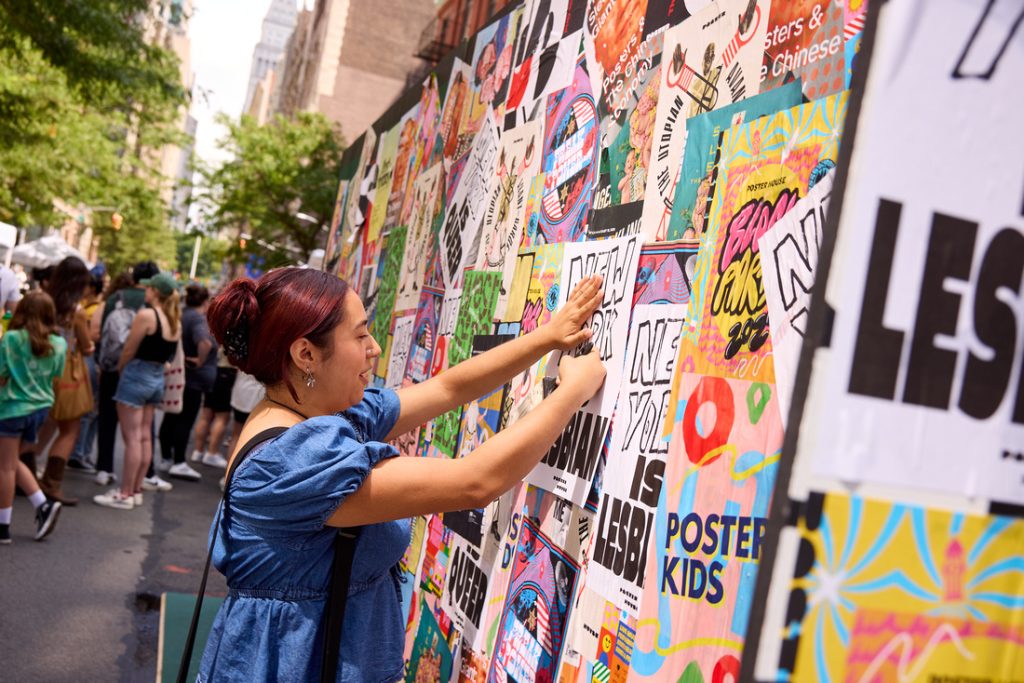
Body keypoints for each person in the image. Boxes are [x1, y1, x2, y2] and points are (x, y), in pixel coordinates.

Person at [197, 268, 605, 681]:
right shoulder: (294, 462)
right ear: (305, 354)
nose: (374, 348)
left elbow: (448, 389)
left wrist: (549, 336)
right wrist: (572, 392)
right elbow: (476, 482)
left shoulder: (315, 413)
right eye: (359, 335)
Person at [93, 272, 180, 510]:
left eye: (149, 288)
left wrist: (121, 369)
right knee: (143, 436)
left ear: (154, 292)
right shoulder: (174, 320)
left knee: (131, 439)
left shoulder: (147, 315)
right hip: (156, 379)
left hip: (137, 376)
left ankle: (124, 494)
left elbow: (129, 349)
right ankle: (136, 489)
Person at [0, 292, 66, 543]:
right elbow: (56, 376)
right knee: (11, 460)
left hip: (12, 407)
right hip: (40, 408)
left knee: (5, 466)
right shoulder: (59, 343)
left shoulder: (12, 339)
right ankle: (42, 504)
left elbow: (1, 373)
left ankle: (3, 526)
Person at [31, 256, 94, 505]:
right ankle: (51, 483)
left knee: (43, 424)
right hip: (67, 373)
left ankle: (22, 474)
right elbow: (87, 346)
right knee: (70, 429)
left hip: (41, 368)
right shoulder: (76, 311)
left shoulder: (43, 301)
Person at [93, 261, 158, 487]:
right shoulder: (157, 302)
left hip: (113, 366)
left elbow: (103, 332)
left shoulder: (116, 298)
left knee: (107, 418)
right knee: (143, 426)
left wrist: (104, 364)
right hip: (144, 370)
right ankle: (146, 473)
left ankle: (104, 468)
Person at [158, 283, 214, 482]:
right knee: (184, 420)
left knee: (171, 415)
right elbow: (205, 342)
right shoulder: (198, 319)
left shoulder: (181, 314)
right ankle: (178, 462)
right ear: (205, 301)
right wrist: (200, 360)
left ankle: (166, 457)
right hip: (192, 378)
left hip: (177, 373)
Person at [68, 267, 106, 473]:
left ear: (92, 288)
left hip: (86, 359)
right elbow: (90, 340)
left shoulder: (93, 308)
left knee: (87, 409)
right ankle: (79, 453)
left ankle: (80, 452)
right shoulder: (84, 308)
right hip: (86, 358)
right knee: (88, 409)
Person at [188, 348, 236, 470]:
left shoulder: (218, 332)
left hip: (213, 369)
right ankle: (212, 453)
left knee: (206, 413)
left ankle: (198, 451)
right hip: (226, 371)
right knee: (222, 416)